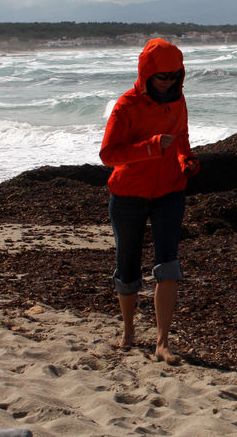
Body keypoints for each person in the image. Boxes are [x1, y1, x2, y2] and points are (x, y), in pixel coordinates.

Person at [100, 37, 200, 364]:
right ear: (147, 73)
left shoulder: (179, 101)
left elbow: (182, 137)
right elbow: (108, 154)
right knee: (127, 267)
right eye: (163, 76)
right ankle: (128, 332)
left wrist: (185, 159)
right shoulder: (126, 105)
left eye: (175, 76)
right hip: (128, 194)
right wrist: (151, 146)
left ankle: (162, 342)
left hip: (169, 191)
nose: (169, 82)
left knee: (167, 265)